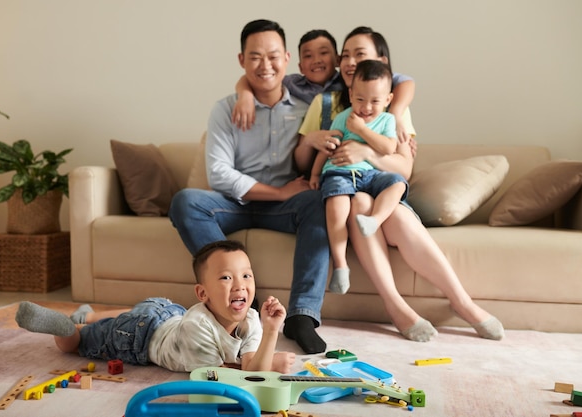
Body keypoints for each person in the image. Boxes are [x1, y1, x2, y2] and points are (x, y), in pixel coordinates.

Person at [296, 26, 504, 342]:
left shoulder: (391, 111)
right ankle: (395, 306)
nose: (351, 61)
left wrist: (366, 148)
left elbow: (402, 167)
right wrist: (313, 141)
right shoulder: (326, 105)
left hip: (381, 187)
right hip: (344, 192)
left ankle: (462, 301)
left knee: (390, 211)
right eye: (346, 55)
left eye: (360, 54)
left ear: (382, 62)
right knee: (359, 203)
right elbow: (302, 160)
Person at [168, 19, 330, 354]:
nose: (265, 65)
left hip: (287, 207)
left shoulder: (308, 108)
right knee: (185, 201)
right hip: (235, 203)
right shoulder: (226, 108)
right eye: (255, 57)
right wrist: (277, 192)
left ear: (287, 58)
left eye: (273, 56)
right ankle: (245, 299)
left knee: (318, 201)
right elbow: (219, 174)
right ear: (241, 61)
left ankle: (302, 316)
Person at [15, 240, 296, 373]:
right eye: (226, 277)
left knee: (129, 314)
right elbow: (222, 373)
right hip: (140, 337)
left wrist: (272, 331)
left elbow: (249, 363)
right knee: (76, 344)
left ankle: (88, 314)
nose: (240, 285)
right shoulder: (196, 324)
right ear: (202, 293)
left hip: (166, 312)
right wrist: (270, 361)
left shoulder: (250, 318)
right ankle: (68, 326)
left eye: (247, 275)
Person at [310, 60, 409, 295]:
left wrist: (362, 130)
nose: (366, 107)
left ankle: (374, 220)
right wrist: (315, 173)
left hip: (372, 174)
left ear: (388, 100)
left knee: (397, 184)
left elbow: (388, 148)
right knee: (336, 204)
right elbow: (329, 146)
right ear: (351, 94)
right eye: (361, 99)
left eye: (375, 101)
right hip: (340, 172)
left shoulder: (387, 120)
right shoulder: (342, 118)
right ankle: (341, 265)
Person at [232, 29, 343, 131]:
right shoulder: (294, 84)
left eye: (323, 53)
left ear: (338, 60)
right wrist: (245, 96)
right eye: (308, 56)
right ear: (301, 67)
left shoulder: (346, 83)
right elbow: (257, 78)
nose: (316, 60)